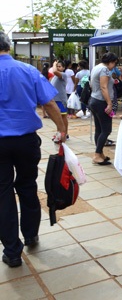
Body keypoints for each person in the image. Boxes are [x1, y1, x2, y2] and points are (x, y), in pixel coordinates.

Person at [0, 32, 66, 268]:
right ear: (8, 46)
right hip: (26, 141)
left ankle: (12, 251)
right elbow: (49, 102)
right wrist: (61, 129)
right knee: (27, 186)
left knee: (2, 193)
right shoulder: (28, 70)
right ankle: (30, 235)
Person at [89, 52, 119, 166]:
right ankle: (97, 155)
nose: (114, 67)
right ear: (111, 62)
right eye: (114, 64)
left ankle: (100, 153)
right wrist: (109, 103)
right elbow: (103, 87)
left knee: (99, 129)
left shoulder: (96, 67)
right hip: (101, 101)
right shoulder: (104, 70)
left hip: (94, 99)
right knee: (106, 130)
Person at [49, 60, 69, 137]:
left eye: (59, 66)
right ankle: (59, 132)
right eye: (57, 66)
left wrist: (54, 64)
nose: (57, 67)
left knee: (63, 117)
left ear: (64, 68)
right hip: (55, 99)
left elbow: (54, 71)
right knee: (58, 117)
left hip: (61, 100)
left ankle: (65, 134)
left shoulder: (63, 75)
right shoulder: (55, 77)